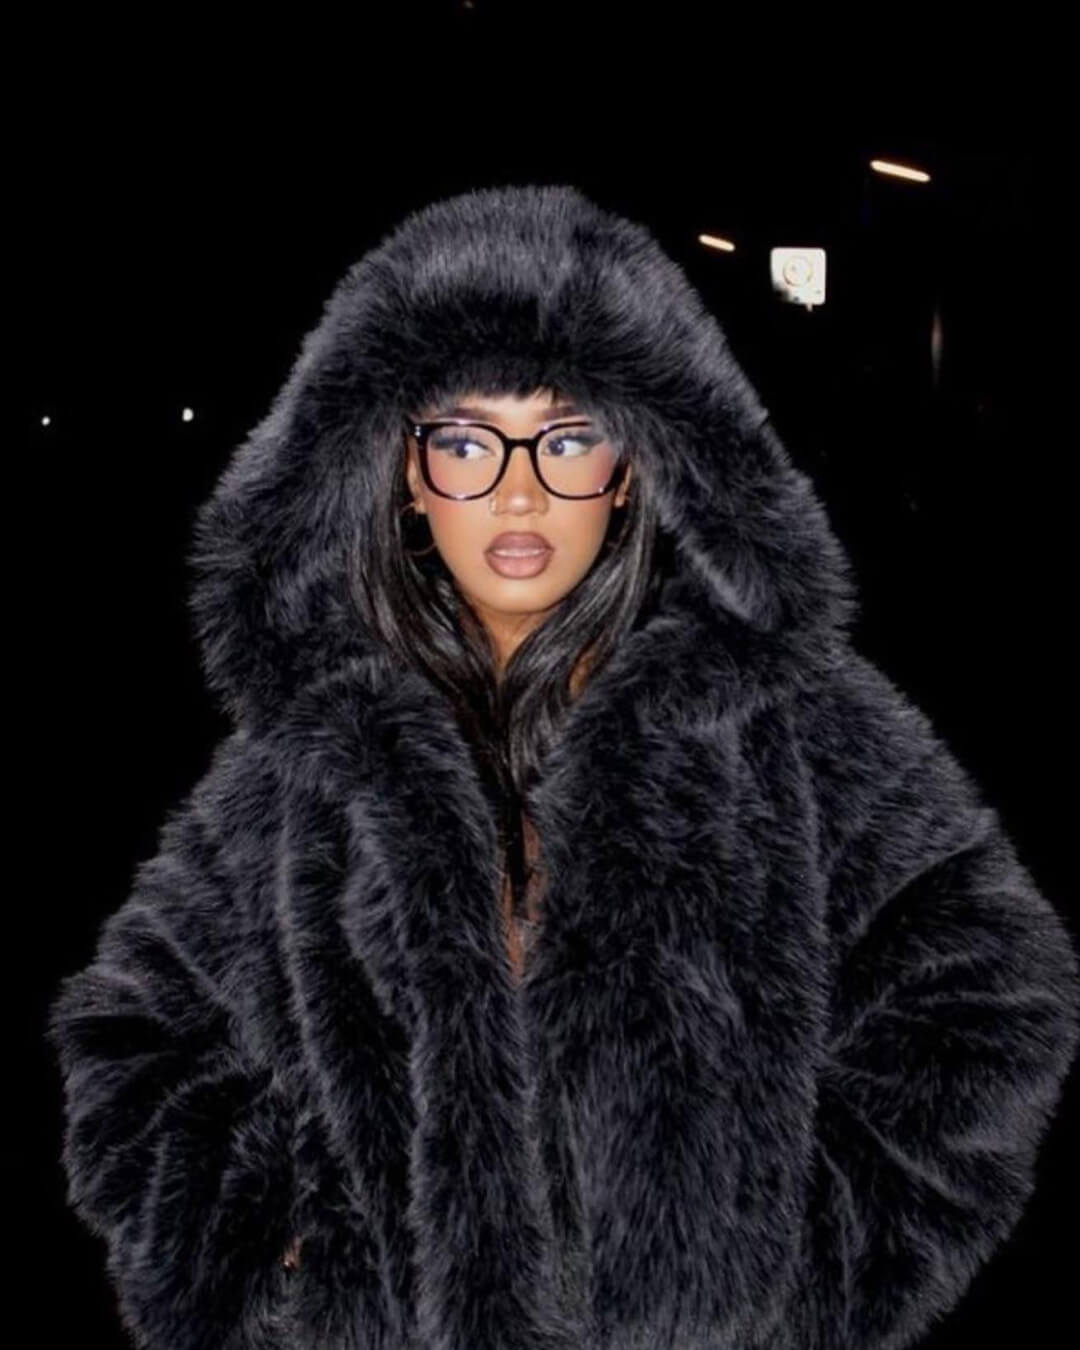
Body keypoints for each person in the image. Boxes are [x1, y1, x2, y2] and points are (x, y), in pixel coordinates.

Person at [45, 183, 1080, 1350]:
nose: (519, 490)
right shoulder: (313, 764)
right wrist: (265, 1241)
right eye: (466, 441)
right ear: (404, 471)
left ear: (634, 466)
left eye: (569, 436)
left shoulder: (776, 721)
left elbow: (991, 987)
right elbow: (132, 1034)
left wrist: (804, 1264)